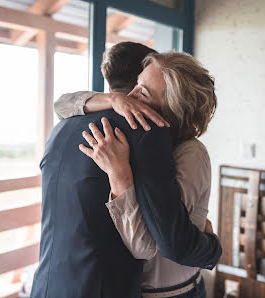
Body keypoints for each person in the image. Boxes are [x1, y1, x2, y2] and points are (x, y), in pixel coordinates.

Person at [30, 42, 221, 298]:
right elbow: (63, 103)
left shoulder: (61, 129)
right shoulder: (136, 136)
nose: (128, 98)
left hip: (169, 291)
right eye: (134, 86)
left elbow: (169, 242)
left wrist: (119, 176)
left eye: (142, 93)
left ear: (174, 111)